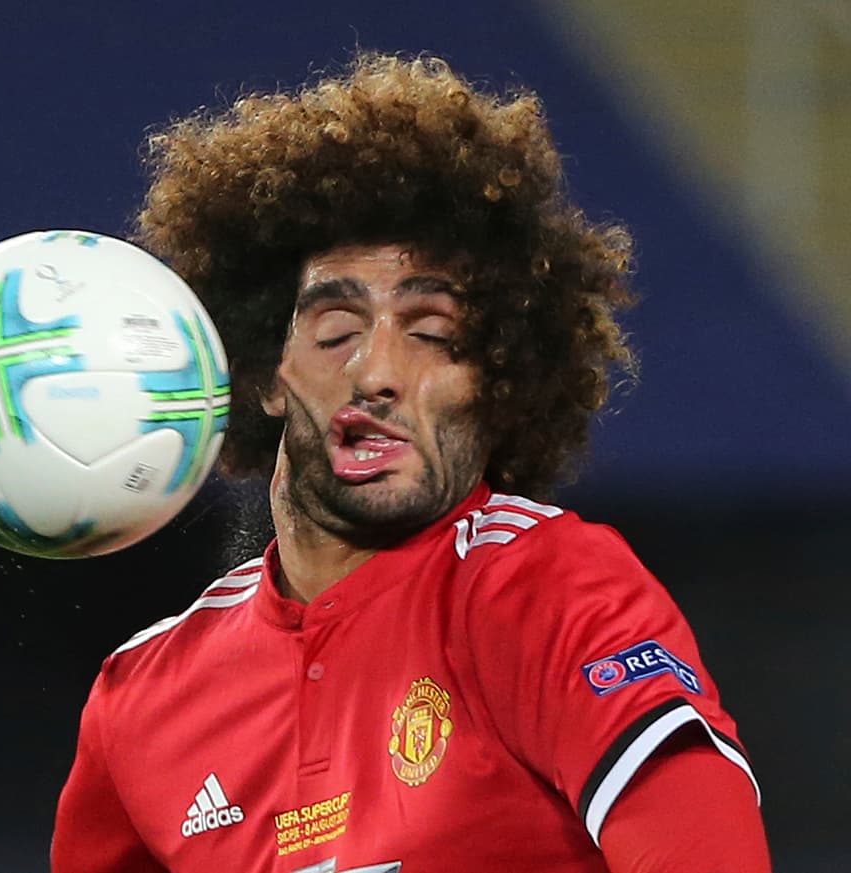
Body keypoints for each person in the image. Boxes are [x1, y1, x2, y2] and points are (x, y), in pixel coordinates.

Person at [51, 51, 771, 873]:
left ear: (500, 380)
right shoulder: (141, 702)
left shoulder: (546, 588)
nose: (380, 372)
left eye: (433, 334)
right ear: (260, 375)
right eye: (335, 333)